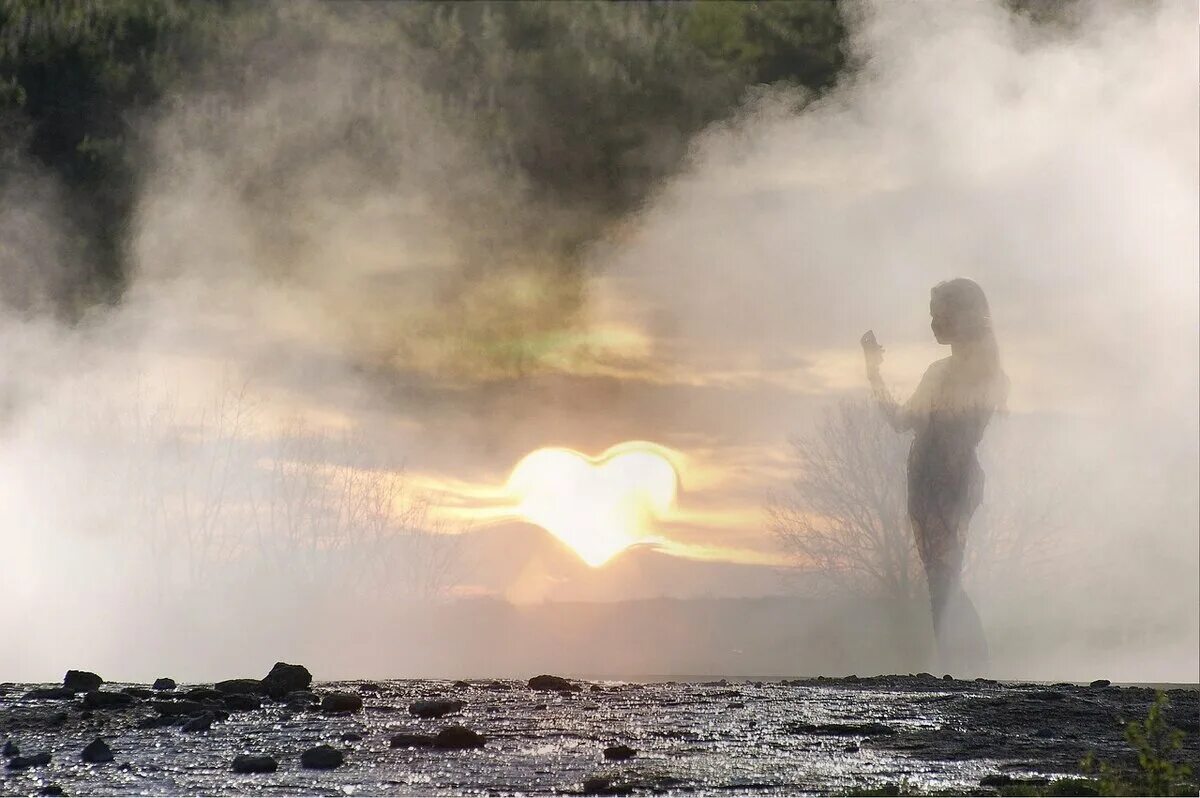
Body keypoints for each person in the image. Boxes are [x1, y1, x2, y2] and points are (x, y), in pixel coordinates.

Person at [861, 278, 1007, 674]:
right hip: (939, 480)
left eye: (938, 314)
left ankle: (966, 672)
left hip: (944, 481)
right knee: (944, 581)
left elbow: (903, 421)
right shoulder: (979, 371)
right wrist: (874, 373)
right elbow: (905, 421)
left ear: (960, 317)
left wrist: (874, 374)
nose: (932, 323)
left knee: (942, 583)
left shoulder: (955, 374)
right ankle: (969, 672)